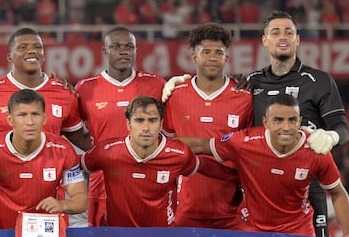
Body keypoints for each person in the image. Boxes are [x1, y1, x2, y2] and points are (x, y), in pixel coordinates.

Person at [162, 11, 349, 237]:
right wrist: (180, 81)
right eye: (275, 32)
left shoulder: (319, 80)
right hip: (258, 191)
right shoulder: (251, 84)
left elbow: (341, 127)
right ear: (264, 40)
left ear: (298, 39)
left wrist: (331, 137)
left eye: (289, 32)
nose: (283, 37)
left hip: (307, 185)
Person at [182, 93, 349, 237]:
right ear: (266, 122)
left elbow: (337, 192)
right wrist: (160, 146)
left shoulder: (316, 150)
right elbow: (202, 145)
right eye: (278, 120)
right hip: (250, 227)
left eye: (292, 120)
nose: (286, 127)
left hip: (297, 230)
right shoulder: (244, 142)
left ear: (299, 121)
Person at [0, 27, 91, 228]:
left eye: (37, 47)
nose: (32, 51)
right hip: (5, 203)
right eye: (23, 47)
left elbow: (84, 141)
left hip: (50, 207)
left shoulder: (64, 94)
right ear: (9, 56)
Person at [81, 96, 236, 227]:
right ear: (128, 124)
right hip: (116, 233)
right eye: (139, 120)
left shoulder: (178, 154)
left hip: (161, 235)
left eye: (152, 120)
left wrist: (239, 177)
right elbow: (76, 165)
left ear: (161, 124)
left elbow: (204, 166)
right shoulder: (107, 152)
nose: (146, 127)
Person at [162, 23, 253, 230]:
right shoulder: (176, 95)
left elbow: (246, 152)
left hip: (232, 210)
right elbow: (167, 148)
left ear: (227, 58)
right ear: (194, 57)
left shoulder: (244, 98)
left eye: (218, 52)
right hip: (185, 208)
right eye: (206, 52)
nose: (213, 57)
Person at [75, 26, 166, 226]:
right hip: (104, 182)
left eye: (129, 47)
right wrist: (98, 154)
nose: (123, 51)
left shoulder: (156, 85)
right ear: (105, 52)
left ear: (136, 51)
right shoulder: (86, 88)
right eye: (116, 47)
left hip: (148, 179)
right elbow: (71, 129)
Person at [0, 89, 87, 230]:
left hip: (47, 234)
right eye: (22, 115)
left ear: (44, 118)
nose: (29, 122)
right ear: (10, 119)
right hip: (0, 232)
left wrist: (63, 205)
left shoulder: (62, 150)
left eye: (35, 114)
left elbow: (81, 199)